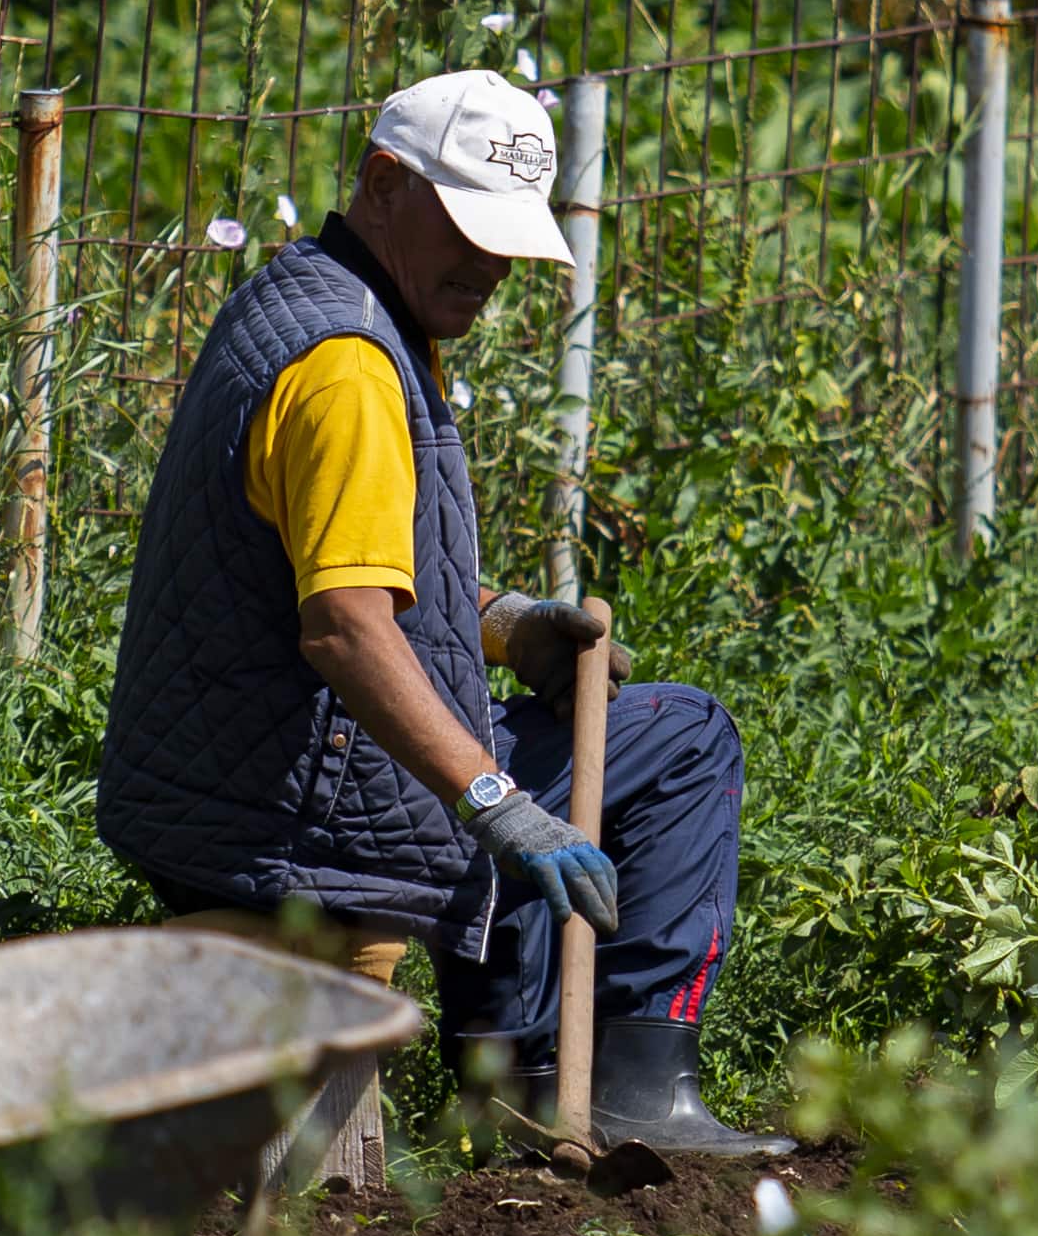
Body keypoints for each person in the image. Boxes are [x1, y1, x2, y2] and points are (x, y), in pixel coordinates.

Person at [97, 68, 785, 1157]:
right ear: (383, 182)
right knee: (685, 737)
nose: (494, 267)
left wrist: (507, 625)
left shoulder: (314, 301)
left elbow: (345, 570)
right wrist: (497, 801)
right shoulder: (349, 370)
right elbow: (344, 628)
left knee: (534, 753)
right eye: (470, 229)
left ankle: (510, 1070)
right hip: (296, 817)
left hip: (238, 784)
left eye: (511, 239)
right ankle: (627, 1089)